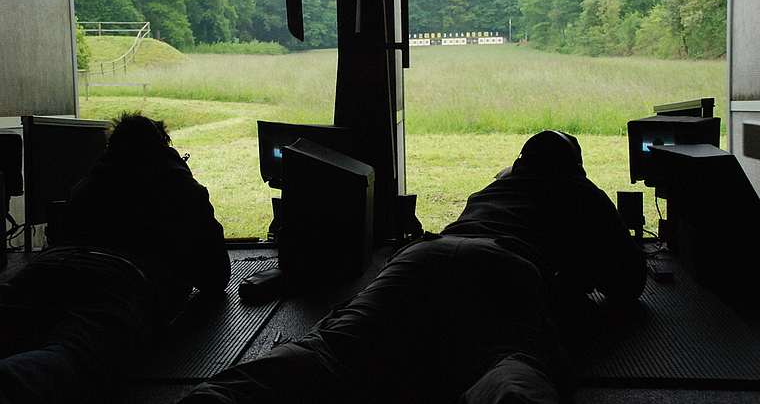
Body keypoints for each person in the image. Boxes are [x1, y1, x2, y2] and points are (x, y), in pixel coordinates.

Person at [177, 130, 646, 404]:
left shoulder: (492, 190)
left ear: (519, 162)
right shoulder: (585, 194)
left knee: (331, 351)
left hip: (424, 256)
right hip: (506, 266)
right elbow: (629, 285)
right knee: (512, 362)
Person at [0, 113, 231, 404]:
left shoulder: (86, 185)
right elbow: (215, 277)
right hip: (119, 284)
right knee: (72, 359)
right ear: (165, 145)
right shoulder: (183, 188)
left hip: (43, 271)